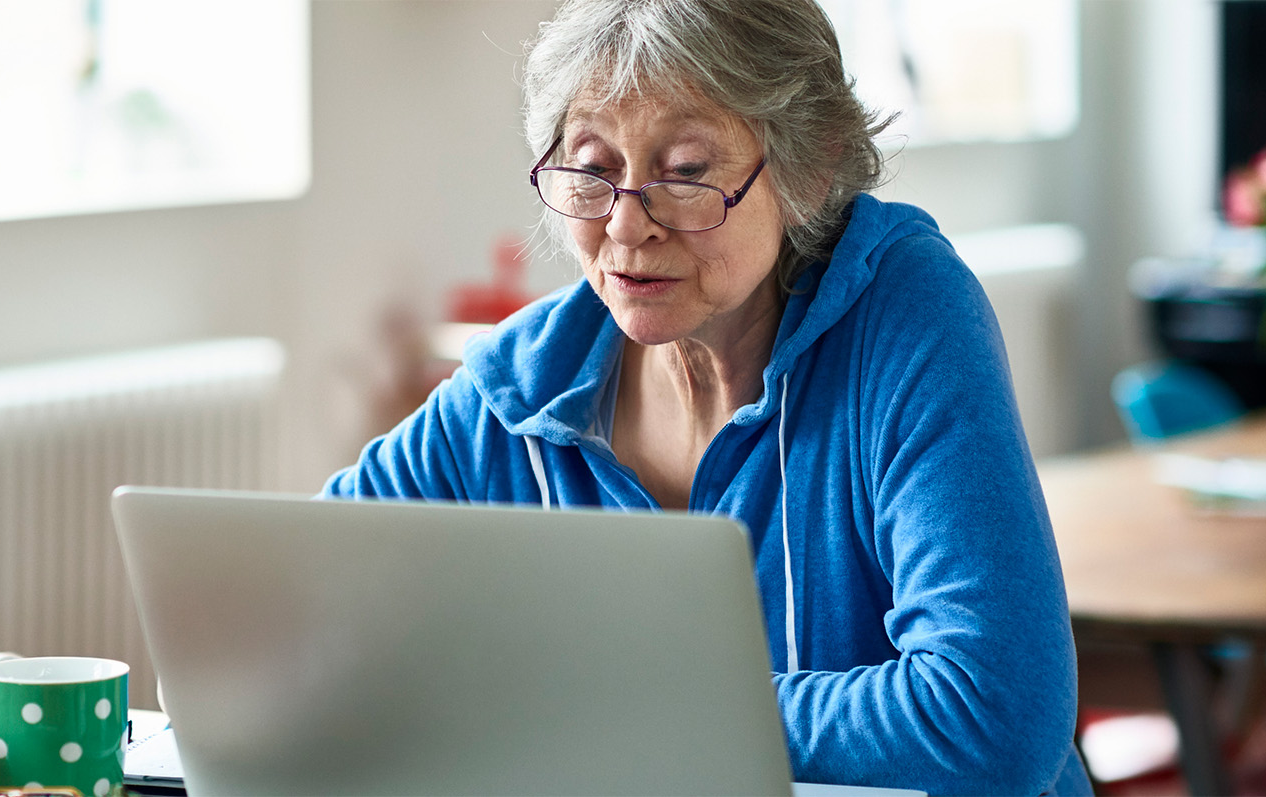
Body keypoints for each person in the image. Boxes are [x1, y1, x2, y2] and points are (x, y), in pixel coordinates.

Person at [323, 0, 1089, 794]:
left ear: (812, 164)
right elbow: (298, 598)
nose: (627, 225)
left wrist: (620, 714)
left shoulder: (905, 313)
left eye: (686, 173)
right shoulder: (522, 384)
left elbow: (992, 715)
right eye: (592, 169)